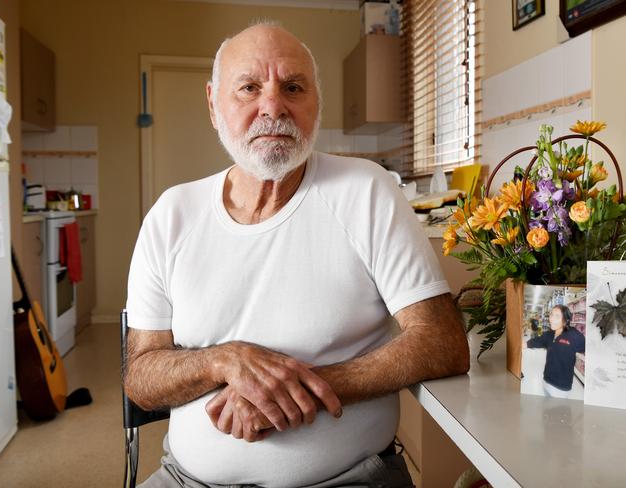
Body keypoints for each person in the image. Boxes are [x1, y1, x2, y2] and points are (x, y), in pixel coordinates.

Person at [124, 22, 470, 488]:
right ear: (213, 104)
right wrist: (222, 361)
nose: (273, 107)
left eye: (293, 87)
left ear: (316, 103)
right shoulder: (171, 214)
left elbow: (442, 343)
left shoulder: (366, 190)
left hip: (346, 479)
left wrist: (285, 390)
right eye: (248, 88)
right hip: (187, 479)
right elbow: (140, 377)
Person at [526, 304, 585, 398]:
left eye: (557, 316)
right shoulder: (549, 334)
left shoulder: (574, 336)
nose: (551, 319)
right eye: (551, 315)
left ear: (566, 320)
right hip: (546, 381)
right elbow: (535, 342)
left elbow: (587, 349)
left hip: (561, 388)